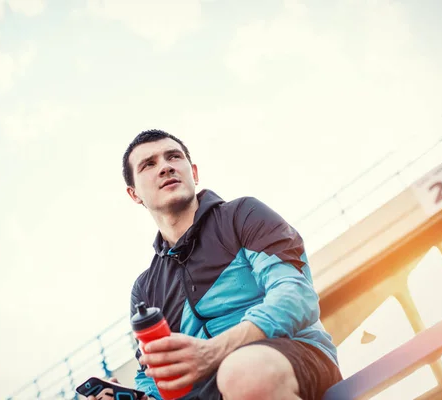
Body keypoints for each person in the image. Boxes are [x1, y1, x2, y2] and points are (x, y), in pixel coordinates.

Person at [118, 129, 341, 400]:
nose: (165, 167)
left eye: (173, 157)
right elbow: (152, 377)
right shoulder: (145, 289)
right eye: (149, 164)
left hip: (288, 361)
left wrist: (214, 351)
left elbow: (296, 295)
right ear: (134, 194)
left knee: (241, 373)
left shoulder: (242, 215)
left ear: (194, 173)